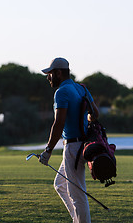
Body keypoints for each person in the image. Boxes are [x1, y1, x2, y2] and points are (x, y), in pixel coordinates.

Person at [39, 57, 99, 223]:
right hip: (82, 145)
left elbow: (59, 124)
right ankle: (77, 220)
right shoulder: (81, 89)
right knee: (60, 184)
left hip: (73, 147)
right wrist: (84, 118)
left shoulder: (61, 92)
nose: (48, 77)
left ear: (58, 73)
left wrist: (48, 151)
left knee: (77, 195)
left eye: (50, 74)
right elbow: (95, 114)